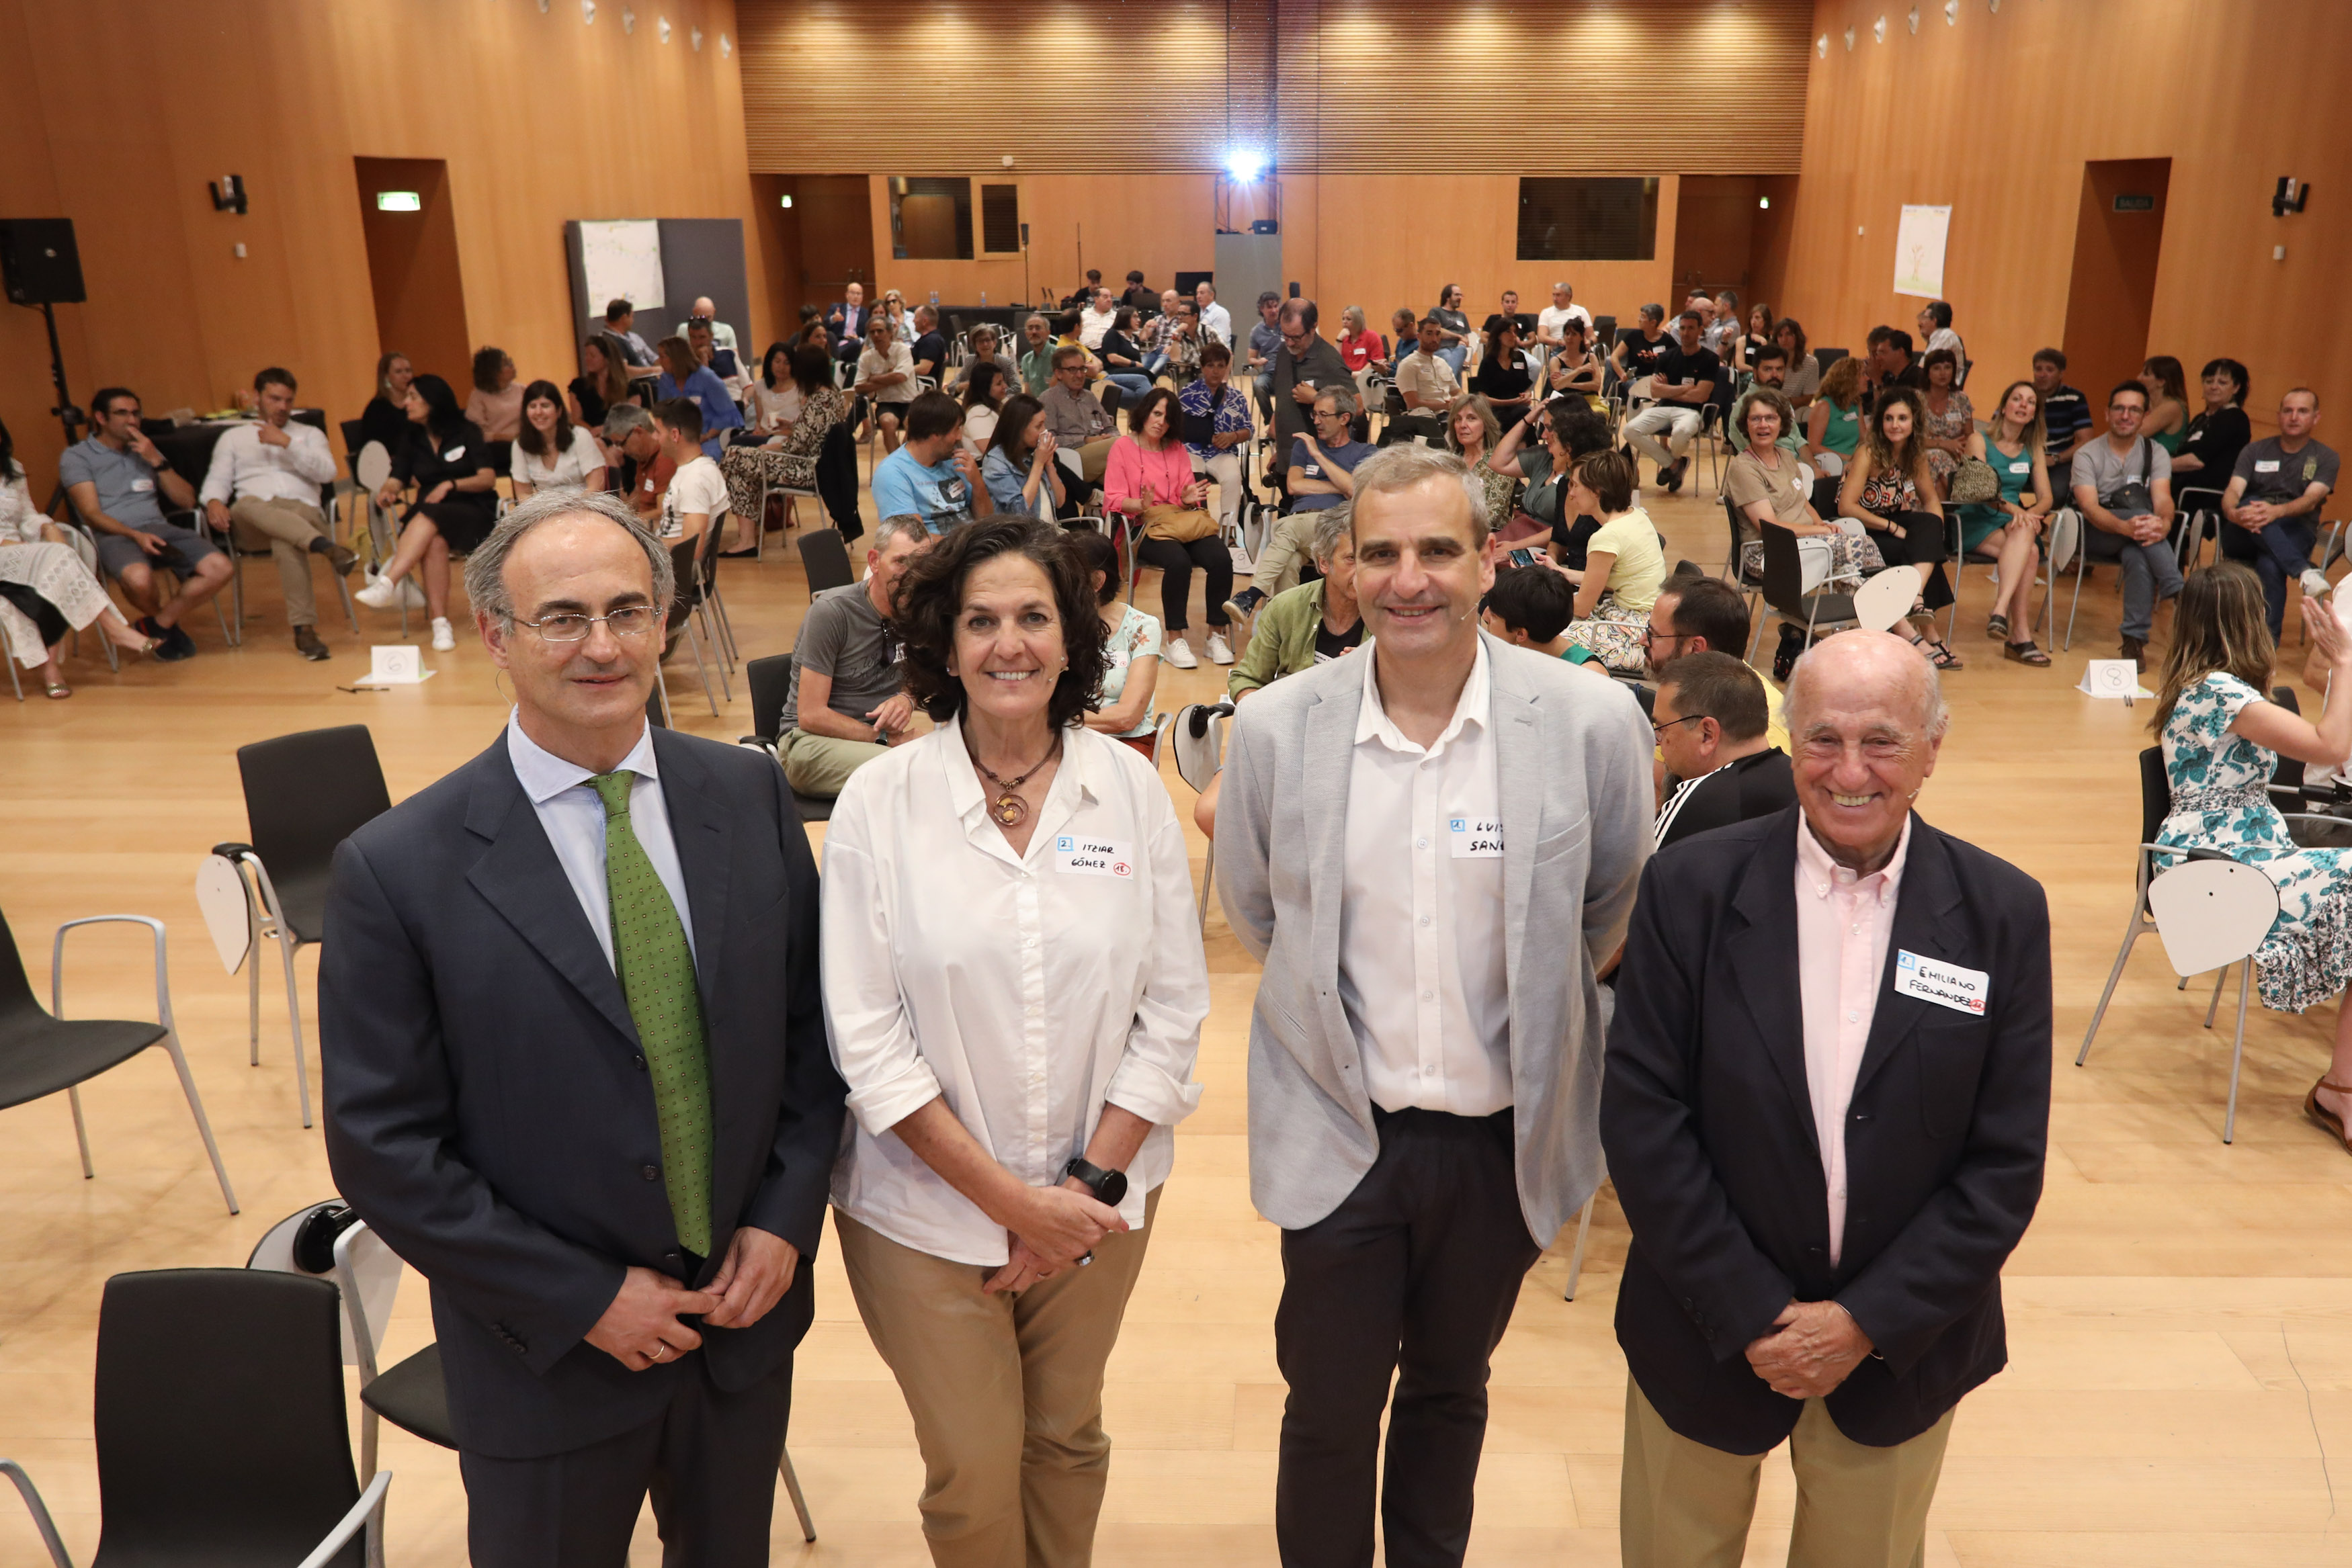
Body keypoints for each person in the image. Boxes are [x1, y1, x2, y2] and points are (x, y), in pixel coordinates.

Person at [321, 491, 845, 1568]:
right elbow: (385, 1148)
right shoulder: (397, 866)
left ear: (664, 620)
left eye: (627, 610)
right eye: (562, 617)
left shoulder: (747, 793)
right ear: (496, 639)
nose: (601, 646)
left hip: (739, 1323)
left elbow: (811, 1036)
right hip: (545, 1355)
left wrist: (786, 1220)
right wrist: (585, 1296)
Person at [1216, 441, 1650, 1568]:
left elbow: (1606, 906)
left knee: (1452, 1389)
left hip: (1502, 1138)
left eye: (1438, 550)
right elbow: (1262, 913)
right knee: (1327, 1406)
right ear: (1344, 574)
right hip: (1338, 1132)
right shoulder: (1274, 731)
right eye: (1381, 554)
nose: (1410, 579)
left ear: (1489, 559)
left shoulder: (1590, 723)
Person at [1605, 629, 2051, 1568]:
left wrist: (1866, 1321)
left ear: (1934, 748)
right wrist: (1752, 1308)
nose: (1850, 771)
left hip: (1901, 1349)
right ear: (1786, 738)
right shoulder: (1690, 885)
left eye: (1883, 741)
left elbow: (2004, 1163)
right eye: (1823, 739)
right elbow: (1645, 1119)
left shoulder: (2003, 911)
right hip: (1701, 1327)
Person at [820, 517, 1207, 1568]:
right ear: (943, 646)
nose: (1009, 644)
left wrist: (1077, 1192)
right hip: (925, 1212)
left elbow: (1172, 1006)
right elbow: (866, 1040)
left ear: (1073, 638)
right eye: (981, 621)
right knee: (973, 1467)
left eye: (1034, 617)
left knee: (1067, 1434)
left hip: (1103, 1197)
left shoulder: (1126, 788)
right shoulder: (880, 803)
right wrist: (1011, 1203)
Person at [2151, 562, 2352, 1145]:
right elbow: (2332, 744)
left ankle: (2341, 1083)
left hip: (2242, 847)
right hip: (2214, 866)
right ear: (2247, 620)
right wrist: (2342, 661)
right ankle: (2339, 1089)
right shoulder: (2219, 692)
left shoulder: (2214, 685)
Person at [61, 386, 228, 662]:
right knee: (139, 580)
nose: (132, 421)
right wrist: (135, 535)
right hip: (112, 532)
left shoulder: (146, 448)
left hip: (158, 526)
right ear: (101, 418)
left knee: (220, 568)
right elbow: (91, 514)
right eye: (122, 413)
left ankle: (158, 625)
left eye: (136, 414)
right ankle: (166, 626)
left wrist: (157, 460)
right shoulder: (78, 456)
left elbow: (186, 500)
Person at [196, 367, 353, 661]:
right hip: (252, 520)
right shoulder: (233, 438)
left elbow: (328, 472)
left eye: (288, 401)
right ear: (257, 397)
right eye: (275, 399)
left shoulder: (308, 434)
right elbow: (216, 480)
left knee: (286, 538)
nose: (282, 407)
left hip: (302, 511)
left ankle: (304, 629)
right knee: (244, 505)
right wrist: (215, 502)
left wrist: (287, 443)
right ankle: (326, 548)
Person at [0, 417, 159, 696]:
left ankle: (51, 669)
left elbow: (27, 515)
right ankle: (114, 628)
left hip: (22, 552)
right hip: (7, 551)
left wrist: (47, 526)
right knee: (58, 561)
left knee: (57, 568)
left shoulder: (12, 469)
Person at [778, 515, 927, 798]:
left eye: (921, 565)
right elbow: (810, 715)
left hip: (872, 743)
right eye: (901, 562)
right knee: (913, 770)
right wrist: (885, 740)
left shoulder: (920, 611)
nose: (912, 575)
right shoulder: (833, 612)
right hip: (810, 745)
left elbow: (925, 678)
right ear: (874, 562)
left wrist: (906, 698)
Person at [353, 372, 497, 651]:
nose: (406, 403)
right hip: (431, 513)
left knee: (430, 516)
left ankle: (389, 582)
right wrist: (388, 490)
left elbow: (487, 478)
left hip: (473, 509)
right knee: (433, 541)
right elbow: (398, 476)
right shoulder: (411, 437)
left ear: (433, 401)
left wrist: (450, 484)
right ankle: (440, 624)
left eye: (413, 397)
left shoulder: (467, 431)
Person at [1222, 387, 1375, 624]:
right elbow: (1293, 485)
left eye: (1324, 415)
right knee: (1288, 559)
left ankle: (1250, 597)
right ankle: (1291, 630)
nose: (1317, 421)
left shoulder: (1364, 452)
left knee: (1286, 528)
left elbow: (1357, 491)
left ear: (1344, 418)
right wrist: (1341, 485)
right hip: (1303, 531)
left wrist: (1319, 455)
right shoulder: (1303, 446)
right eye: (1315, 414)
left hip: (1337, 527)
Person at [1108, 386, 1232, 670]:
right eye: (1156, 413)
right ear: (1145, 413)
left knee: (1221, 557)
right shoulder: (1122, 447)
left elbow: (1186, 494)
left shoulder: (1176, 448)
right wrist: (1140, 503)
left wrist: (1188, 499)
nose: (1161, 422)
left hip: (1180, 520)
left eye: (1167, 417)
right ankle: (1175, 638)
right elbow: (1112, 500)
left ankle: (1216, 635)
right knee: (1178, 562)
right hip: (1145, 524)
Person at [1841, 386, 1961, 670]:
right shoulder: (1868, 452)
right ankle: (1928, 631)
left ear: (1914, 423)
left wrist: (1934, 536)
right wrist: (1894, 528)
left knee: (1929, 531)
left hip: (1894, 519)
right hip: (1862, 528)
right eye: (1889, 418)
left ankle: (1914, 601)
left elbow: (1931, 500)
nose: (1895, 425)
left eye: (1903, 419)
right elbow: (1846, 507)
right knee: (1914, 549)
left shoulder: (1914, 454)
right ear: (1880, 422)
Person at [1730, 388, 1883, 603]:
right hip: (1768, 553)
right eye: (1756, 419)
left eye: (1770, 418)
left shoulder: (1785, 456)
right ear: (1746, 424)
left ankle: (1862, 630)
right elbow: (1769, 526)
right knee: (1863, 545)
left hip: (1804, 543)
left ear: (1782, 423)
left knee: (1849, 573)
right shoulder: (1744, 468)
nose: (1763, 425)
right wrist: (1820, 531)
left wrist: (1823, 525)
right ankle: (1894, 617)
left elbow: (1801, 501)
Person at [2072, 380, 2181, 670]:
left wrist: (2165, 524)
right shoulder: (2087, 453)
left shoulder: (2155, 452)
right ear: (2107, 413)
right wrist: (2127, 527)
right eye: (2119, 408)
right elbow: (2089, 508)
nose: (2125, 416)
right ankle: (2177, 589)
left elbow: (2163, 499)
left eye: (2134, 410)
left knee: (2138, 555)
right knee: (2141, 528)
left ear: (2145, 416)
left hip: (2137, 537)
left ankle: (2133, 642)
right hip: (2096, 533)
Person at [2223, 387, 2340, 639]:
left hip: (2296, 530)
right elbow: (2233, 491)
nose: (2294, 417)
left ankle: (2265, 646)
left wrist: (2276, 512)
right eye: (2288, 411)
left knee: (2270, 564)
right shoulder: (2254, 451)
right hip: (2244, 530)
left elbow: (2310, 501)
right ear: (2279, 415)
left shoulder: (2326, 457)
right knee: (2250, 501)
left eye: (2302, 411)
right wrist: (2234, 514)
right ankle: (2303, 572)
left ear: (2316, 418)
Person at [1648, 650, 1796, 849]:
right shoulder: (1802, 782)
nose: (1658, 741)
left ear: (1707, 734)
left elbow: (1647, 875)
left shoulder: (1695, 803)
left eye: (1663, 729)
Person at [1956, 380, 2056, 666]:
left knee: (2027, 540)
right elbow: (1979, 489)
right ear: (2003, 407)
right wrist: (2019, 513)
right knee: (2032, 553)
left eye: (2030, 402)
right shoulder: (1979, 439)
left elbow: (2046, 497)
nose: (2023, 405)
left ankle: (2002, 614)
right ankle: (2019, 637)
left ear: (2035, 413)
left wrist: (2032, 513)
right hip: (1976, 515)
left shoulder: (2033, 447)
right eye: (2017, 399)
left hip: (2013, 520)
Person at [1227, 505, 1362, 699]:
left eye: (1369, 557)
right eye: (1351, 559)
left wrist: (1371, 671)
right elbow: (1247, 680)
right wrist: (1267, 720)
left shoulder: (1390, 615)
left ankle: (1251, 595)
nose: (1363, 569)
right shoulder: (1285, 607)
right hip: (1289, 720)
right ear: (1324, 563)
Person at [1643, 576, 1791, 752]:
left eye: (1653, 634)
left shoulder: (1755, 736)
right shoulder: (1691, 690)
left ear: (1696, 647)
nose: (1642, 640)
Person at [1557, 450, 1668, 673]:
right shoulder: (1636, 515)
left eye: (1576, 486)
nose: (1571, 495)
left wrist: (1542, 598)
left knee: (1544, 635)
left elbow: (1583, 608)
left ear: (1597, 492)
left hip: (1635, 636)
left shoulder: (1606, 537)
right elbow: (1617, 579)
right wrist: (1560, 572)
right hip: (1649, 624)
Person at [720, 344, 849, 524]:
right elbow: (814, 432)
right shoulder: (830, 396)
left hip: (807, 469)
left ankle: (747, 537)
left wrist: (768, 447)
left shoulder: (819, 401)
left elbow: (796, 445)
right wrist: (792, 425)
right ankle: (750, 534)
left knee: (734, 458)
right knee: (737, 459)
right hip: (812, 463)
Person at [1068, 527, 1165, 755]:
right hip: (1068, 738)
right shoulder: (1059, 623)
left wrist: (1057, 720)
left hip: (1125, 743)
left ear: (1098, 581)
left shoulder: (1142, 627)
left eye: (1066, 577)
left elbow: (1128, 717)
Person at [1622, 310, 1719, 494]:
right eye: (1682, 328)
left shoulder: (1710, 359)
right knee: (1630, 430)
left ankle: (1672, 465)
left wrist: (1670, 390)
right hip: (1664, 408)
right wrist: (1685, 389)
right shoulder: (1666, 357)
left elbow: (1701, 396)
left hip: (1693, 412)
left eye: (1691, 328)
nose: (1685, 332)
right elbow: (1655, 390)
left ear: (1700, 331)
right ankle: (1675, 464)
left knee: (1681, 432)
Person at [872, 391, 992, 535]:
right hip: (939, 554)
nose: (960, 437)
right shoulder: (892, 473)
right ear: (936, 434)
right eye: (956, 430)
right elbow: (914, 541)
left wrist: (977, 482)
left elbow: (987, 521)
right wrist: (970, 547)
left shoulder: (954, 460)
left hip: (973, 548)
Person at [1181, 340, 1254, 536]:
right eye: (1210, 366)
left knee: (1233, 477)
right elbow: (1181, 427)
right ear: (1203, 367)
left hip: (1223, 453)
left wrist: (1234, 436)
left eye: (1221, 366)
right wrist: (1206, 435)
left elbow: (1249, 429)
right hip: (1192, 451)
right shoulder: (1189, 393)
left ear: (1226, 368)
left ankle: (1228, 531)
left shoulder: (1237, 398)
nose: (1215, 371)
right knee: (1193, 478)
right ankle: (1198, 527)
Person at [1271, 298, 1353, 455]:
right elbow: (1283, 397)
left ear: (1313, 327)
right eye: (1285, 335)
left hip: (1316, 458)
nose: (1289, 343)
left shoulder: (1329, 360)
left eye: (1295, 337)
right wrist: (1279, 452)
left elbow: (1357, 406)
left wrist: (1317, 398)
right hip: (1286, 454)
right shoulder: (1284, 351)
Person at [512, 378, 608, 500]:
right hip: (544, 512)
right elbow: (523, 495)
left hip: (583, 507)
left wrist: (570, 508)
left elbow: (596, 487)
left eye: (545, 406)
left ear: (559, 411)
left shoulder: (580, 436)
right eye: (532, 406)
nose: (538, 412)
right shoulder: (520, 444)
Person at [649, 400, 727, 547]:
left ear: (675, 435)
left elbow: (692, 548)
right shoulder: (692, 469)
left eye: (658, 431)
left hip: (669, 566)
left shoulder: (695, 479)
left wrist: (644, 547)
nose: (654, 437)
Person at [2173, 357, 2253, 498]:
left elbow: (2197, 461)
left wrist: (2156, 467)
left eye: (2222, 383)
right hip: (2180, 482)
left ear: (2236, 388)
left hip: (2203, 492)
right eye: (2208, 381)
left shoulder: (2234, 418)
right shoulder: (2201, 418)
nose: (2213, 387)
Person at [980, 394, 1069, 521]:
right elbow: (1020, 511)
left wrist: (1049, 465)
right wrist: (1038, 464)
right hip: (1021, 537)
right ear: (1019, 429)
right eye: (1039, 426)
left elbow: (1060, 501)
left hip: (1049, 531)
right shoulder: (996, 462)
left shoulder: (1034, 453)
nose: (1045, 431)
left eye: (1044, 424)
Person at [655, 337, 745, 460]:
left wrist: (706, 436)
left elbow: (727, 416)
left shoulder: (707, 378)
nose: (659, 361)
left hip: (714, 435)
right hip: (682, 437)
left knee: (698, 457)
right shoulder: (665, 380)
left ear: (676, 358)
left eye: (663, 357)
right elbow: (663, 413)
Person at [1042, 345, 1119, 485]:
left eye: (1082, 369)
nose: (1079, 375)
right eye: (1072, 370)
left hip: (1099, 455)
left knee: (1118, 477)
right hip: (1069, 458)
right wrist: (1086, 440)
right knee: (1122, 444)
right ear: (1058, 373)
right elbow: (1048, 440)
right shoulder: (1049, 399)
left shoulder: (1089, 397)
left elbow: (1110, 427)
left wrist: (1111, 436)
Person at [1442, 394, 1517, 535]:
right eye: (1458, 419)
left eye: (1471, 418)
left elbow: (1493, 514)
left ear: (1485, 425)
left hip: (1487, 537)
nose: (1463, 425)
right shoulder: (1450, 462)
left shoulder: (1500, 463)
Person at [1477, 562, 1579, 660]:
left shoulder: (1583, 672)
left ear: (1520, 634)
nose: (1485, 615)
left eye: (1494, 615)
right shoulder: (1534, 642)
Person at [1725, 347, 1802, 458]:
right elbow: (1765, 454)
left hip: (1796, 465)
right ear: (1755, 372)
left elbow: (1799, 440)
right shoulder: (1745, 406)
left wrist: (1814, 467)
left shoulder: (1782, 400)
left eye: (1779, 369)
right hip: (1768, 469)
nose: (1775, 375)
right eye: (1768, 369)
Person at [1916, 349, 1973, 492]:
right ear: (1927, 373)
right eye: (1937, 368)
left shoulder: (1961, 399)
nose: (1943, 373)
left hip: (1956, 456)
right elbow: (1912, 438)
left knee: (1938, 480)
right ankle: (1960, 495)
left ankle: (1936, 510)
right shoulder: (1916, 399)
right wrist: (1943, 444)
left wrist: (1957, 447)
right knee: (1936, 456)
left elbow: (1970, 437)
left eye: (1948, 367)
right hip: (1922, 453)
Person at [607, 403, 671, 525]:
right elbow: (633, 502)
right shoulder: (643, 459)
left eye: (621, 443)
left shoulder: (665, 458)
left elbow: (663, 512)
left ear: (638, 432)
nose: (622, 451)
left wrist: (629, 522)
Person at [2033, 347, 2092, 472]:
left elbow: (2086, 441)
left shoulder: (2074, 398)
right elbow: (1997, 427)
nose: (2042, 375)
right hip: (2023, 459)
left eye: (2049, 370)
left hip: (2058, 461)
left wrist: (2056, 458)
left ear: (2061, 374)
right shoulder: (2022, 394)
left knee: (2058, 490)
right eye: (2038, 369)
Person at [1467, 318, 1534, 428]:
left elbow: (1525, 387)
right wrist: (1512, 402)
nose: (1513, 336)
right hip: (1495, 409)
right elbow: (1483, 398)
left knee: (1525, 414)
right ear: (1498, 335)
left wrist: (1526, 395)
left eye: (1515, 332)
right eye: (1508, 332)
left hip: (1518, 407)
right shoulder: (1488, 362)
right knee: (1521, 416)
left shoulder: (1519, 358)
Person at [1395, 316, 1463, 417]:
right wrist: (1445, 406)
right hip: (1426, 419)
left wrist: (1457, 399)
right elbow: (1413, 404)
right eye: (1429, 334)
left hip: (1450, 416)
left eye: (1438, 334)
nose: (1434, 339)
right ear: (1419, 336)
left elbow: (1458, 392)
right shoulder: (1408, 365)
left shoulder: (1442, 363)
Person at [569, 335, 635, 431]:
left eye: (592, 355)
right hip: (591, 437)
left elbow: (631, 420)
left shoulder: (631, 387)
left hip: (620, 436)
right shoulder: (578, 386)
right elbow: (577, 420)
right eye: (586, 355)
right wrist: (594, 433)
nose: (587, 359)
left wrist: (605, 431)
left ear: (607, 358)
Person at [1543, 318, 1604, 410]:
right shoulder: (1556, 360)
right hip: (1565, 401)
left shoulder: (1591, 357)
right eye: (1567, 334)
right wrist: (1579, 370)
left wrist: (1569, 384)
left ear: (1582, 337)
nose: (1570, 337)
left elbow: (1596, 386)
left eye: (1574, 334)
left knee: (1599, 412)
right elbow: (1557, 385)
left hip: (1589, 401)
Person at [464, 346, 523, 443]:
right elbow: (475, 433)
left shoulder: (522, 390)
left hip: (524, 444)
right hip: (495, 447)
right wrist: (506, 438)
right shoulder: (478, 396)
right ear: (493, 372)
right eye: (506, 364)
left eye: (510, 361)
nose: (512, 365)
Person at [361, 352, 416, 453]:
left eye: (408, 371)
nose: (406, 376)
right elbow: (376, 448)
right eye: (398, 372)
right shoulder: (377, 409)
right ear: (386, 377)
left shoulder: (419, 403)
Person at [1096, 306, 1153, 403]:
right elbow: (1112, 358)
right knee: (1144, 374)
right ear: (1125, 318)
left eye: (1138, 317)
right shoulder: (1112, 334)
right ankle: (1151, 406)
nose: (1139, 320)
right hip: (1112, 372)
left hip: (1131, 373)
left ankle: (1143, 408)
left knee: (1139, 391)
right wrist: (1133, 363)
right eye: (1135, 317)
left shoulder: (1135, 339)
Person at [745, 343, 802, 437]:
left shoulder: (801, 387)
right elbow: (759, 421)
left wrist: (772, 435)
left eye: (787, 363)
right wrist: (758, 431)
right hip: (764, 437)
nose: (781, 367)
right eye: (777, 362)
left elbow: (803, 428)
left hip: (789, 439)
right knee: (736, 444)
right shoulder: (760, 386)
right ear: (770, 363)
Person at [1611, 303, 1673, 388]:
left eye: (1643, 317)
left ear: (1653, 322)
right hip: (1634, 380)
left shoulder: (1667, 339)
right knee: (1636, 388)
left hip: (1656, 381)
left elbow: (1678, 360)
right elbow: (1614, 356)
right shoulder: (1633, 336)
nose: (1639, 319)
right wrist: (1622, 374)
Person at [2138, 355, 2189, 456]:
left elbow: (2133, 434)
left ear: (2161, 382)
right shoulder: (2149, 405)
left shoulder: (2172, 407)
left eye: (2146, 374)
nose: (2139, 378)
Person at [687, 320, 745, 400]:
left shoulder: (728, 353)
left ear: (711, 336)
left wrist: (744, 400)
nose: (698, 342)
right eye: (693, 337)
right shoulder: (685, 363)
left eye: (702, 337)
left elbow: (748, 387)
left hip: (735, 403)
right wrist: (704, 359)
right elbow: (704, 389)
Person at [1337, 306, 1384, 399]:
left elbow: (1375, 361)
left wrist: (1360, 374)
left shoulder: (1371, 336)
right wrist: (1339, 340)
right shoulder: (1344, 338)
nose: (1344, 322)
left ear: (1358, 321)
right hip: (1346, 379)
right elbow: (1335, 361)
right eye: (1343, 319)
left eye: (1349, 319)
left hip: (1365, 378)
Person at [958, 361, 1005, 453]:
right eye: (999, 384)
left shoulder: (999, 404)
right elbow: (991, 453)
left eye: (1003, 381)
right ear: (985, 389)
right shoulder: (978, 414)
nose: (1005, 386)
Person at [1427, 283, 1472, 375]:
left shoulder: (1462, 315)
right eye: (1456, 295)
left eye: (1461, 295)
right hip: (1441, 349)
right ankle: (1453, 387)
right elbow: (1437, 331)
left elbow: (1466, 338)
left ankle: (1447, 385)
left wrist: (1463, 341)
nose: (1460, 298)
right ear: (1447, 297)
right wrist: (1459, 336)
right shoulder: (1436, 311)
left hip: (1459, 349)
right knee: (1452, 359)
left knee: (1461, 351)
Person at [1774, 318, 1819, 408]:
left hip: (1795, 410)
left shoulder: (1810, 363)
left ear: (1797, 337)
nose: (1784, 339)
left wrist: (1784, 402)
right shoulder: (1771, 360)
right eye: (1780, 335)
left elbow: (1808, 398)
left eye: (1789, 334)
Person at [1536, 281, 1592, 349]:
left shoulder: (1581, 311)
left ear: (1568, 296)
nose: (1555, 299)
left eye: (1558, 295)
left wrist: (1590, 342)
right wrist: (1560, 342)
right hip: (1558, 347)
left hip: (1578, 348)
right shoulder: (1546, 313)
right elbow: (1541, 337)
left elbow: (1592, 336)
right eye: (1554, 295)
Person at [603, 298, 659, 367]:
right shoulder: (610, 342)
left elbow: (653, 358)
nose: (633, 321)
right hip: (641, 377)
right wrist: (653, 370)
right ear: (624, 318)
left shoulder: (635, 337)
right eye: (632, 316)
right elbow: (625, 371)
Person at [673, 295, 739, 353]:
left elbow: (735, 358)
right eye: (702, 318)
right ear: (694, 312)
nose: (706, 323)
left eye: (709, 317)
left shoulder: (727, 331)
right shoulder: (683, 330)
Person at [907, 305, 950, 390]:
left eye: (915, 317)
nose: (913, 320)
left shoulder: (931, 341)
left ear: (925, 321)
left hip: (921, 385)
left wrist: (901, 370)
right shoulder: (931, 339)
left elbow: (924, 369)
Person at [1017, 313, 1058, 396]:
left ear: (1048, 333)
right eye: (1030, 328)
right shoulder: (1026, 359)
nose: (1034, 332)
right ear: (1026, 333)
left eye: (1038, 328)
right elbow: (1028, 393)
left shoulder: (1058, 355)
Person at [1917, 298, 1964, 365]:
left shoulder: (1946, 337)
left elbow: (1929, 368)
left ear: (1934, 321)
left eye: (1924, 318)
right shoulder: (1938, 337)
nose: (1921, 323)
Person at [1194, 278, 1233, 349]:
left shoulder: (1220, 313)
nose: (1198, 296)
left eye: (1202, 293)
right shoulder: (1197, 312)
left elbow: (1221, 341)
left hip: (1218, 353)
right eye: (1197, 293)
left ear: (1212, 295)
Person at [1078, 286, 1119, 351]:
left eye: (1111, 297)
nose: (1109, 300)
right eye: (1105, 297)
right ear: (1096, 299)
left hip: (1107, 353)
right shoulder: (1084, 314)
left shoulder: (1117, 317)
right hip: (1084, 352)